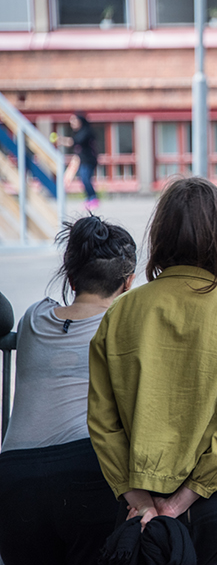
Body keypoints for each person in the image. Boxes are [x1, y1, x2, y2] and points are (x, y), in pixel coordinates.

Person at [88, 177, 217, 565]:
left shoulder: (120, 312)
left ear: (161, 235)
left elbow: (103, 424)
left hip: (140, 504)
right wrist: (180, 502)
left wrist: (139, 501)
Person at [0, 216, 136, 565]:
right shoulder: (121, 327)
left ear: (71, 277)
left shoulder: (33, 318)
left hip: (15, 473)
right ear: (128, 282)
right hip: (87, 466)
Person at [60, 112, 100, 211]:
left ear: (80, 121)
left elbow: (72, 142)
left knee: (86, 178)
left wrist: (59, 139)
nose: (72, 123)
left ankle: (93, 198)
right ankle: (89, 198)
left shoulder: (85, 132)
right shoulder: (78, 132)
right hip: (82, 160)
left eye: (74, 121)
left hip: (89, 160)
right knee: (83, 179)